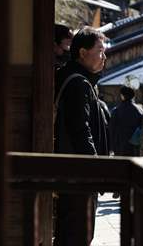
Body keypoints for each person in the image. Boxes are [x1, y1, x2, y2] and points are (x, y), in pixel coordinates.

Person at [54, 26, 109, 246]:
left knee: (71, 231)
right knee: (77, 234)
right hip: (79, 173)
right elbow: (80, 129)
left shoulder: (75, 78)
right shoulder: (78, 83)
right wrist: (95, 166)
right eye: (100, 51)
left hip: (72, 172)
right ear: (83, 53)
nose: (104, 56)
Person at [109, 86, 143, 158]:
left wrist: (111, 147)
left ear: (122, 96)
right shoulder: (140, 110)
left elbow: (111, 130)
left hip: (120, 146)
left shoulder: (116, 110)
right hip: (136, 146)